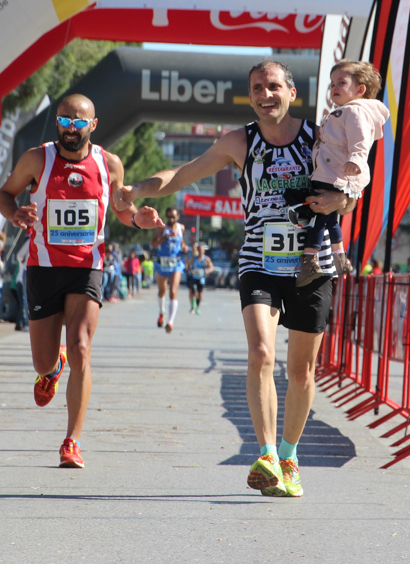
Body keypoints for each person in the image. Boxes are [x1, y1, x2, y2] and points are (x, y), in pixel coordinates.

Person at [116, 60, 355, 497]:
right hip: (259, 260)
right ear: (251, 96)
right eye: (257, 88)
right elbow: (181, 175)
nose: (266, 95)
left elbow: (357, 179)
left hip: (312, 264)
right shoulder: (238, 140)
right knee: (261, 352)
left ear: (292, 92)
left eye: (274, 87)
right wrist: (139, 189)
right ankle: (265, 453)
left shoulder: (320, 135)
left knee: (301, 372)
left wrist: (340, 198)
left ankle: (288, 456)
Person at [0, 93, 163, 470]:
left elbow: (121, 207)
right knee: (42, 360)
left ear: (93, 125)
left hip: (88, 267)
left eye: (78, 122)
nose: (71, 129)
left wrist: (139, 220)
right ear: (58, 123)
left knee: (82, 347)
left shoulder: (109, 164)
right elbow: (4, 194)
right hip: (43, 268)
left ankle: (72, 441)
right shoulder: (37, 158)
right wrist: (15, 213)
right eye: (64, 121)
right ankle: (52, 369)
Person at [286, 61, 389, 286]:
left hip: (334, 173)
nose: (334, 87)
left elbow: (360, 141)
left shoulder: (354, 111)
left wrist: (355, 159)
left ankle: (311, 260)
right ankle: (338, 258)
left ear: (360, 89)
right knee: (328, 218)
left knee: (319, 217)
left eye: (341, 83)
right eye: (332, 83)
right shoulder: (344, 112)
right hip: (332, 172)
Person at [152, 208, 188, 333]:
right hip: (162, 263)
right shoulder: (162, 228)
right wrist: (166, 237)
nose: (171, 219)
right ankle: (162, 312)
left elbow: (181, 242)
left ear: (178, 216)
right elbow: (153, 244)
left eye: (173, 217)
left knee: (173, 291)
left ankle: (170, 322)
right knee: (162, 291)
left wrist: (184, 247)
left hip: (176, 263)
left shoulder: (180, 228)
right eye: (168, 217)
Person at [186, 242, 214, 315]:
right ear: (198, 250)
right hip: (194, 277)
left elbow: (211, 267)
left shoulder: (206, 259)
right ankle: (193, 305)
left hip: (201, 279)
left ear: (204, 251)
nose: (201, 251)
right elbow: (188, 265)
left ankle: (197, 308)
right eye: (200, 250)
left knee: (200, 294)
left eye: (202, 250)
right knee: (193, 292)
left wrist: (208, 270)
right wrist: (190, 270)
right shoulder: (194, 258)